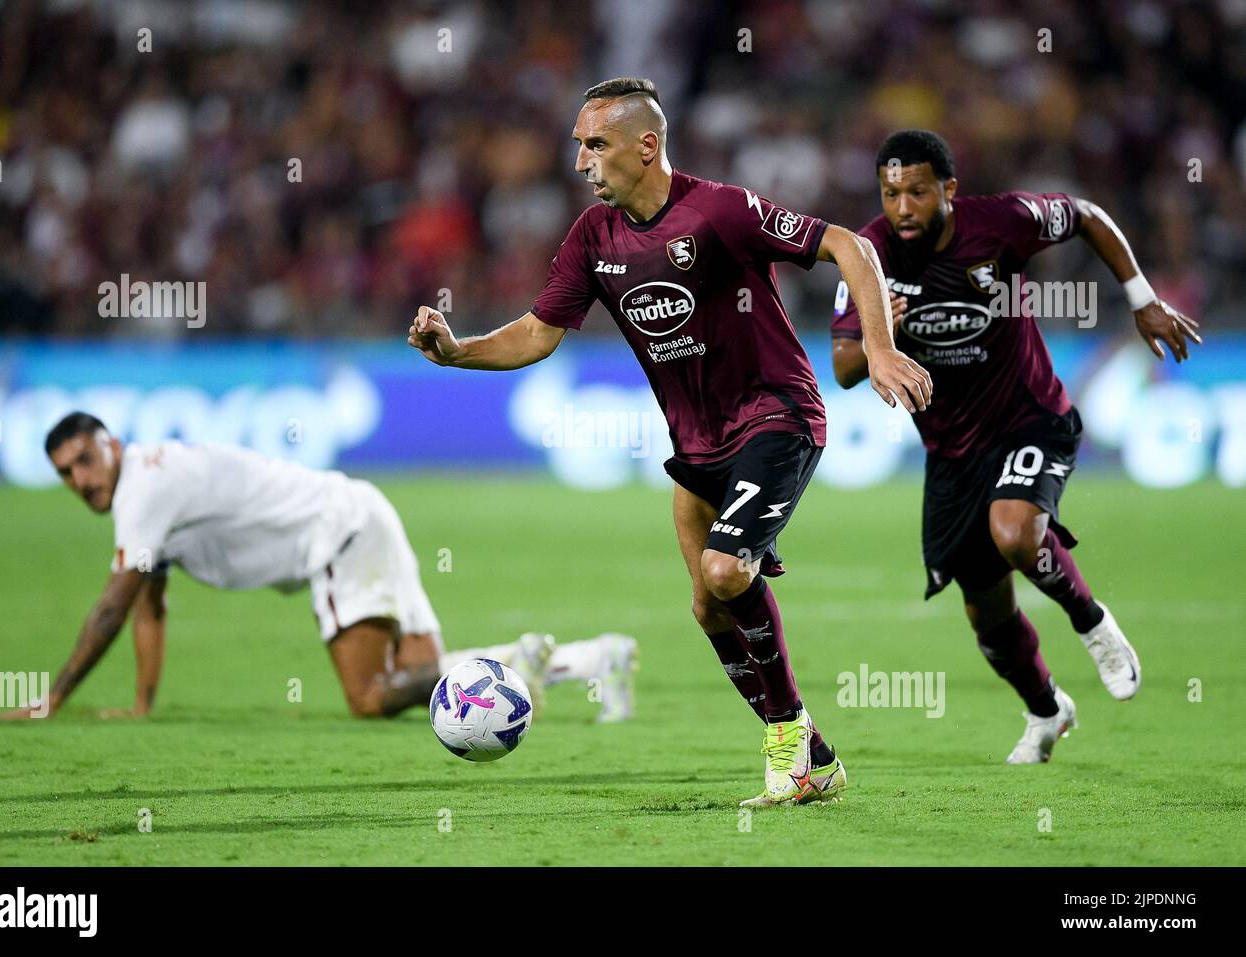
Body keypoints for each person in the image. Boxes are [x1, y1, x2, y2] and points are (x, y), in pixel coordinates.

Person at [408, 77, 932, 806]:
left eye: (596, 144)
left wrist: (876, 347)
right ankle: (814, 758)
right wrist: (458, 350)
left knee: (725, 571)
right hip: (696, 445)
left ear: (646, 145)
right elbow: (537, 331)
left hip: (776, 413)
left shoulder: (718, 210)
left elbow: (845, 244)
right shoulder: (593, 237)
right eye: (578, 146)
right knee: (708, 606)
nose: (582, 161)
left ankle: (787, 739)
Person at [830, 129, 1201, 763]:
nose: (903, 208)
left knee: (1015, 532)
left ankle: (1092, 623)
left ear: (948, 189)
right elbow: (842, 367)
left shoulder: (1003, 222)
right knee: (986, 613)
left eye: (917, 192)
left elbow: (1087, 216)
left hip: (1030, 418)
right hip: (951, 450)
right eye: (891, 194)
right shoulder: (869, 256)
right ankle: (1047, 709)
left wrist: (1141, 299)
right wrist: (878, 333)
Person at [3, 411, 637, 722]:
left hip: (336, 538)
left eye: (85, 460)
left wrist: (53, 698)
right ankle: (591, 660)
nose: (80, 480)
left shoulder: (143, 490)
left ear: (111, 445)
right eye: (65, 473)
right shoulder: (149, 483)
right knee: (421, 679)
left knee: (366, 699)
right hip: (363, 511)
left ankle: (510, 672)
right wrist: (142, 703)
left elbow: (114, 605)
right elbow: (149, 603)